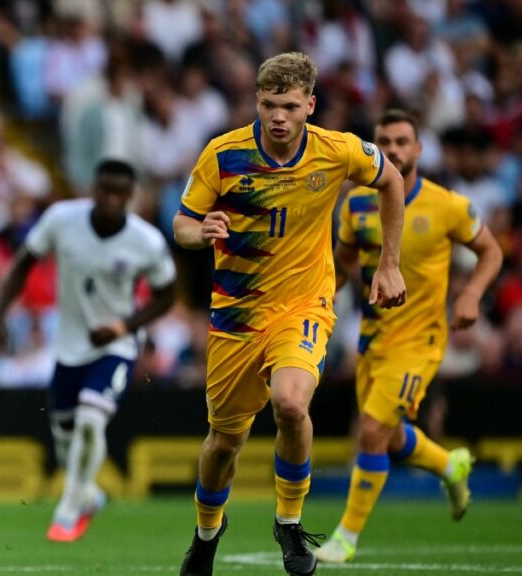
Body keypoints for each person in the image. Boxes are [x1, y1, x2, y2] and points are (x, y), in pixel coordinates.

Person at [171, 52, 408, 576]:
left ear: (310, 106)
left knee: (292, 404)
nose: (279, 116)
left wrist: (388, 264)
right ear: (257, 102)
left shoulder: (337, 150)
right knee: (223, 443)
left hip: (304, 305)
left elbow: (392, 181)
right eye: (269, 104)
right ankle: (207, 533)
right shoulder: (223, 154)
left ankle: (289, 522)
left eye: (290, 106)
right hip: (235, 315)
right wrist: (201, 231)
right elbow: (182, 224)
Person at [315, 109, 503, 564]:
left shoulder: (447, 206)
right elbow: (341, 267)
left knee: (372, 429)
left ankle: (346, 537)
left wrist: (471, 295)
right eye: (385, 141)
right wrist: (316, 302)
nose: (394, 149)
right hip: (373, 337)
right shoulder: (357, 204)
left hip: (421, 340)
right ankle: (449, 465)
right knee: (392, 436)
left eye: (403, 141)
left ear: (418, 149)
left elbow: (491, 251)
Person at [0, 159, 178, 542]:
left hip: (115, 347)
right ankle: (88, 495)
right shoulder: (61, 219)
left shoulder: (146, 241)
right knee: (66, 441)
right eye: (103, 191)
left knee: (92, 419)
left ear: (129, 197)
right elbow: (24, 263)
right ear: (94, 190)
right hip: (69, 348)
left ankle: (68, 510)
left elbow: (167, 295)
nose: (109, 200)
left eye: (118, 194)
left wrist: (125, 327)